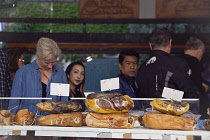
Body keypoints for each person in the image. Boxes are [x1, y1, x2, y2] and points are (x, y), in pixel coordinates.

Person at [8, 37, 68, 115]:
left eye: (53, 62)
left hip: (53, 123)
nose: (50, 66)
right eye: (47, 62)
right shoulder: (23, 73)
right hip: (27, 123)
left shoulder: (60, 73)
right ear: (38, 56)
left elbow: (64, 102)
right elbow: (14, 103)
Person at [136, 28, 200, 100]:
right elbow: (190, 94)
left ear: (150, 46)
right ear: (170, 43)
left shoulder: (142, 68)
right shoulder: (177, 63)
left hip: (147, 110)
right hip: (171, 109)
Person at [181, 37, 210, 119]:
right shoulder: (194, 63)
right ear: (200, 49)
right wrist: (205, 88)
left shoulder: (176, 61)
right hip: (192, 108)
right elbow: (196, 88)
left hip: (177, 105)